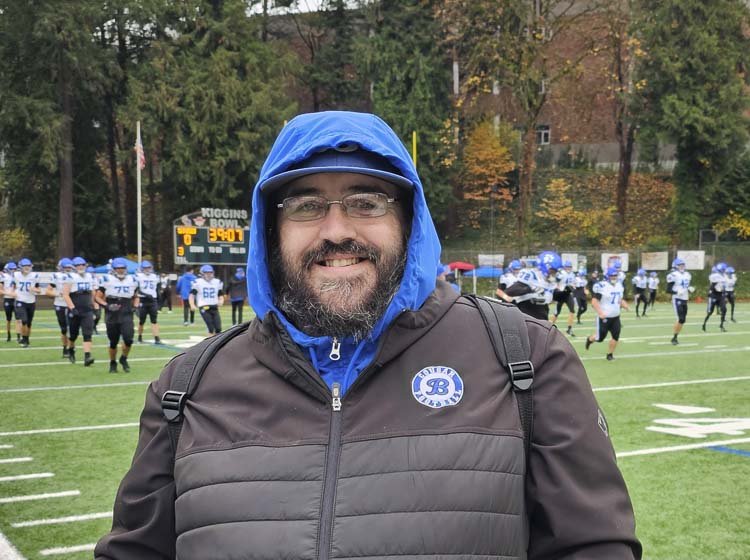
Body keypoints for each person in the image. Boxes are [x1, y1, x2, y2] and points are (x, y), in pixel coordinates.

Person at [95, 111, 641, 559]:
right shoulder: (187, 387)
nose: (337, 230)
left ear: (409, 220)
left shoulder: (526, 360)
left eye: (366, 201)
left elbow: (594, 548)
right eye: (306, 205)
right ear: (270, 229)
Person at [95, 258, 139, 373]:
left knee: (129, 339)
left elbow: (136, 296)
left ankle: (123, 358)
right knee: (113, 341)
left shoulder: (132, 279)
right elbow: (97, 297)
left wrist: (135, 306)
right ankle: (112, 362)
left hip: (126, 311)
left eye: (122, 268)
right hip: (112, 312)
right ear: (113, 269)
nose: (120, 270)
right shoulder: (106, 279)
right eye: (118, 268)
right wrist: (107, 305)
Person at [585, 266, 629, 361]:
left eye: (615, 275)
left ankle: (610, 354)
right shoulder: (602, 286)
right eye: (612, 275)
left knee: (616, 336)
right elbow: (594, 301)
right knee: (600, 338)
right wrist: (600, 313)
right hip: (604, 317)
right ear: (607, 276)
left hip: (616, 317)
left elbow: (619, 299)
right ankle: (589, 339)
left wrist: (624, 305)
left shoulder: (619, 285)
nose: (614, 277)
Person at [504, 251, 560, 320]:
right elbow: (509, 291)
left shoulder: (550, 280)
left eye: (555, 271)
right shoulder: (531, 275)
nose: (554, 273)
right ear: (545, 267)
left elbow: (553, 297)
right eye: (553, 270)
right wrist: (530, 289)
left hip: (543, 312)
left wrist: (566, 292)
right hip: (527, 311)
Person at [63, 256, 96, 366]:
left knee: (87, 334)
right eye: (78, 265)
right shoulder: (70, 277)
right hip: (75, 308)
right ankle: (71, 349)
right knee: (73, 335)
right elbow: (65, 294)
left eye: (82, 265)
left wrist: (94, 305)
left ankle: (87, 356)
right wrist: (72, 308)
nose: (80, 267)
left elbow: (92, 293)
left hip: (87, 309)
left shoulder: (89, 277)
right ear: (74, 267)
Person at [8, 258, 42, 347]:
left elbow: (39, 290)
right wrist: (12, 293)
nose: (27, 268)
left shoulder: (35, 276)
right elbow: (13, 286)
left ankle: (26, 339)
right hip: (20, 300)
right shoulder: (16, 275)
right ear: (20, 267)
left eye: (28, 266)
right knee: (24, 321)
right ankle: (24, 338)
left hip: (31, 301)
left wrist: (35, 289)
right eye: (25, 266)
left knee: (29, 323)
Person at [189, 264, 224, 336]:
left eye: (210, 273)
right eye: (206, 273)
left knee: (218, 328)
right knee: (210, 327)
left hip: (214, 306)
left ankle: (218, 343)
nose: (209, 274)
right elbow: (192, 295)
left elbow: (220, 294)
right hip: (204, 307)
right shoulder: (198, 282)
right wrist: (192, 305)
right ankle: (211, 344)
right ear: (202, 273)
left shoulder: (217, 282)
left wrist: (221, 300)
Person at [48, 258, 74, 357]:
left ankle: (71, 348)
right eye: (66, 267)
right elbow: (48, 291)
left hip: (72, 304)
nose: (68, 269)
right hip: (60, 304)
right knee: (64, 329)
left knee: (71, 328)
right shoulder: (56, 276)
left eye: (69, 267)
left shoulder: (75, 276)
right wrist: (58, 294)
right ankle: (65, 348)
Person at [666, 257, 694, 345]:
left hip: (685, 298)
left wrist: (689, 288)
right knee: (680, 318)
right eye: (680, 265)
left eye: (683, 265)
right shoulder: (673, 275)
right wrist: (677, 292)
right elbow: (668, 290)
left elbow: (685, 286)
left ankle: (675, 336)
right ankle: (674, 338)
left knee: (683, 320)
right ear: (675, 266)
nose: (682, 266)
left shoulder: (687, 274)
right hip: (677, 298)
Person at [136, 260, 163, 344]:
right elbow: (136, 290)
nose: (147, 269)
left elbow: (158, 289)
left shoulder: (155, 276)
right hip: (143, 300)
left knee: (154, 320)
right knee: (141, 321)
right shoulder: (138, 276)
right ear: (142, 269)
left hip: (152, 301)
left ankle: (157, 338)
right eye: (145, 268)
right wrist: (145, 294)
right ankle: (139, 337)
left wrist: (159, 300)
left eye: (148, 268)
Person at [550, 259, 576, 335]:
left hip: (568, 294)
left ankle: (569, 328)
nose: (568, 268)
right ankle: (549, 327)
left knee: (572, 310)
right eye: (567, 267)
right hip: (561, 294)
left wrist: (573, 286)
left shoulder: (572, 274)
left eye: (569, 267)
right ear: (564, 267)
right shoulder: (561, 273)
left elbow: (573, 283)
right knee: (557, 312)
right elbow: (556, 280)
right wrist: (557, 288)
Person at [702, 263, 727, 332]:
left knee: (724, 309)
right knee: (710, 312)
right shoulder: (715, 276)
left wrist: (724, 294)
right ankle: (704, 324)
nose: (725, 270)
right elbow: (712, 286)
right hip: (713, 295)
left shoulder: (724, 276)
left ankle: (721, 325)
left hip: (720, 295)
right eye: (724, 269)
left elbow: (723, 287)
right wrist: (715, 288)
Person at [1, 261, 20, 342]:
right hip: (8, 299)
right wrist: (9, 293)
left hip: (16, 299)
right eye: (11, 269)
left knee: (18, 319)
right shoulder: (3, 276)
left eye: (14, 269)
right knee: (8, 319)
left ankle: (19, 336)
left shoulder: (18, 276)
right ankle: (9, 335)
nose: (13, 270)